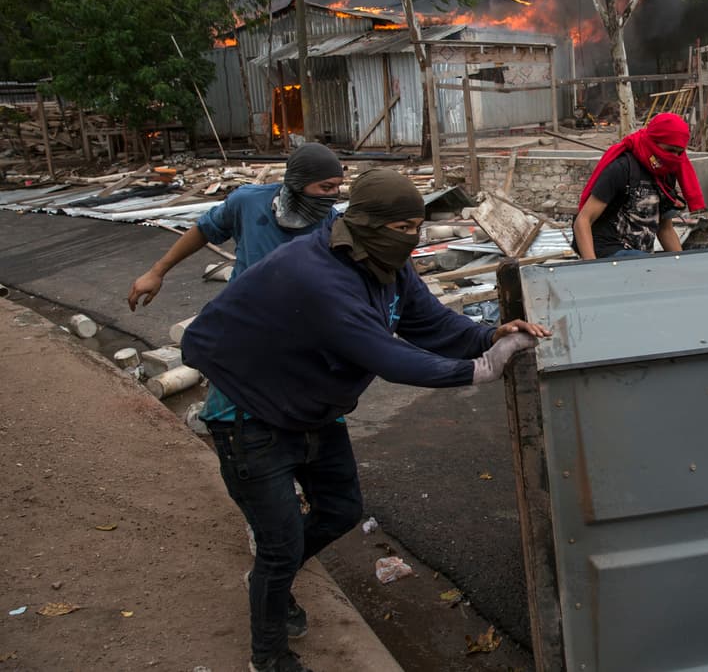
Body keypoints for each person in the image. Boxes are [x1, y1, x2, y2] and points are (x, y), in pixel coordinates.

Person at [181, 168, 551, 672]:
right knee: (279, 542)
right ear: (369, 223)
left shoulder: (385, 262)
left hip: (312, 404)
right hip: (249, 412)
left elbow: (429, 322)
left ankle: (274, 578)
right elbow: (387, 355)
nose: (414, 238)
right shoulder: (316, 275)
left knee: (339, 510)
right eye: (405, 229)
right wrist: (482, 368)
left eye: (418, 228)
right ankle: (268, 656)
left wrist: (487, 334)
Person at [127, 142, 345, 310]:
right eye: (326, 187)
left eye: (337, 188)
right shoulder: (248, 203)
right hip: (242, 309)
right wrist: (157, 272)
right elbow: (204, 230)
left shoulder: (331, 223)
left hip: (296, 318)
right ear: (298, 183)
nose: (333, 196)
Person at [572, 112, 706, 259]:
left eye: (679, 152)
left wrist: (682, 264)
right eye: (670, 150)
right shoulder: (622, 168)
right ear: (654, 142)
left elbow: (665, 229)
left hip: (638, 257)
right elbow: (583, 221)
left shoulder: (666, 173)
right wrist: (592, 267)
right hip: (609, 251)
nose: (674, 157)